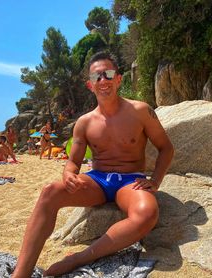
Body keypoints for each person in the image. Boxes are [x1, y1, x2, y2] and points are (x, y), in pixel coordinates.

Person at [12, 51, 174, 277]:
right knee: (50, 192)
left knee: (147, 214)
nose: (103, 81)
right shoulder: (84, 123)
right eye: (97, 77)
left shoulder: (141, 111)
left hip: (130, 181)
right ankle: (20, 273)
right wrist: (68, 174)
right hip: (97, 180)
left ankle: (78, 258)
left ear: (118, 78)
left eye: (108, 74)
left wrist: (155, 181)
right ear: (90, 85)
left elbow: (166, 148)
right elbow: (72, 163)